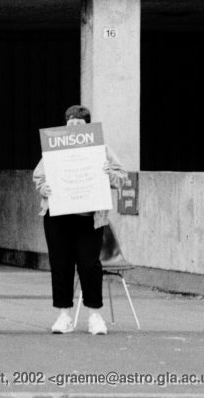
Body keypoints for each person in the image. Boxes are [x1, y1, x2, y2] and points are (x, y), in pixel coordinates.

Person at [33, 105, 127, 335]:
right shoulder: (54, 148)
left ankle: (95, 314)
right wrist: (42, 187)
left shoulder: (101, 148)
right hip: (58, 217)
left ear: (88, 126)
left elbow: (122, 177)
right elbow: (39, 176)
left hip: (89, 219)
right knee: (61, 264)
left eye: (79, 124)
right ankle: (64, 315)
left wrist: (110, 174)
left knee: (89, 265)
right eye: (70, 124)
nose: (74, 128)